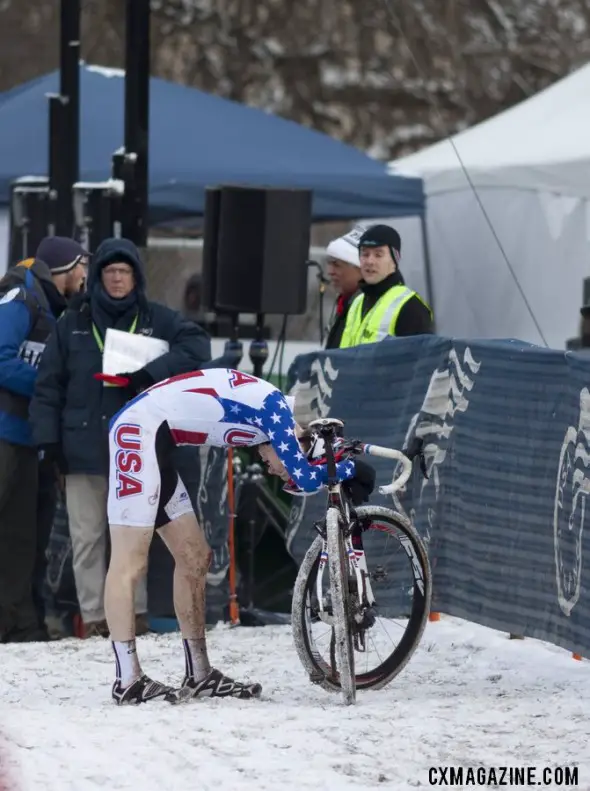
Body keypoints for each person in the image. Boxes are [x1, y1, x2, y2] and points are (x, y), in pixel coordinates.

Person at [104, 367, 372, 705]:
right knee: (129, 560)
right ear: (295, 438)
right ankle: (127, 680)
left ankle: (199, 674)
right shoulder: (276, 412)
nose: (274, 469)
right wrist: (351, 469)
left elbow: (300, 475)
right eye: (285, 461)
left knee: (195, 557)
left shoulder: (269, 412)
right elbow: (304, 478)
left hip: (154, 436)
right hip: (140, 431)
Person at [30, 237, 211, 639]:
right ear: (97, 277)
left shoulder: (155, 318)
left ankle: (135, 615)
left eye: (124, 271)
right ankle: (95, 617)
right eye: (109, 272)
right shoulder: (72, 322)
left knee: (133, 537)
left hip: (134, 451)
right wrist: (49, 443)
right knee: (87, 537)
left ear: (136, 277)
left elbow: (199, 345)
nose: (116, 279)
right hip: (82, 449)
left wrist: (149, 372)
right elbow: (48, 387)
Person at [340, 224, 433, 347]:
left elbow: (420, 362)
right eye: (365, 254)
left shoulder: (410, 306)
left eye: (378, 255)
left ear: (394, 260)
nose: (370, 261)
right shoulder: (356, 303)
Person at [324, 225, 364, 349]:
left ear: (359, 268)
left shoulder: (369, 307)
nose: (330, 271)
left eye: (337, 265)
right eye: (329, 264)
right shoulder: (344, 303)